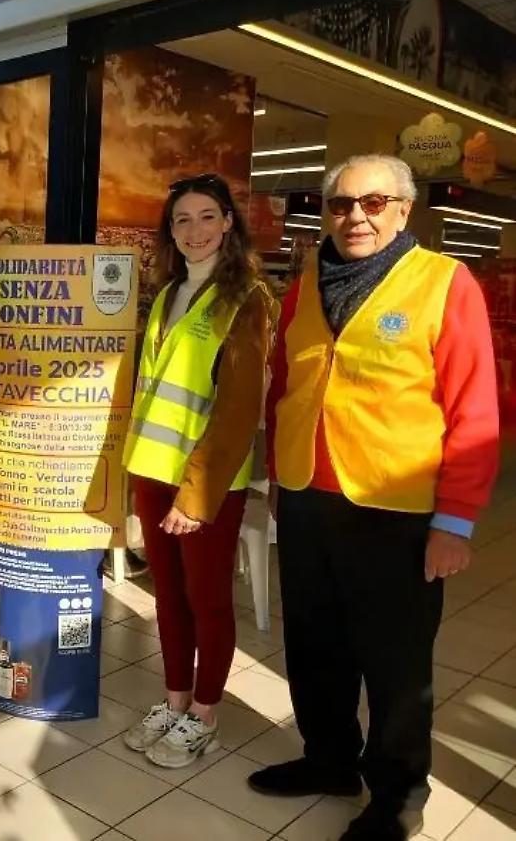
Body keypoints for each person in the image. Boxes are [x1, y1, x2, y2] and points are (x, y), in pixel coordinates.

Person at [253, 154, 499, 841]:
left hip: (397, 509)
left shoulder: (444, 283)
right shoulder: (307, 281)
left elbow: (474, 410)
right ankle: (329, 760)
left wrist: (454, 521)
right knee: (314, 645)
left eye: (373, 202)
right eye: (340, 204)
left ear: (403, 210)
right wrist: (278, 475)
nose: (355, 216)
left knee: (395, 664)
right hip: (307, 495)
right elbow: (286, 384)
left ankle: (397, 797)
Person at [120, 173, 273, 769]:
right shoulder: (168, 295)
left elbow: (237, 410)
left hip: (204, 484)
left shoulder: (247, 299)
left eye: (208, 216)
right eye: (182, 219)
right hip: (153, 471)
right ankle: (175, 701)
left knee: (206, 600)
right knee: (168, 598)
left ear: (229, 222)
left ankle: (205, 714)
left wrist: (196, 494)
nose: (195, 230)